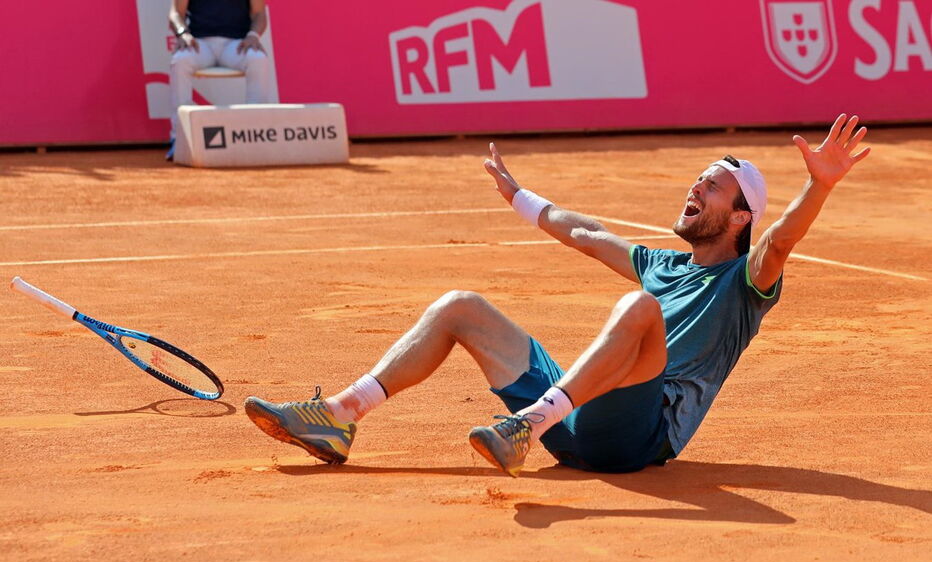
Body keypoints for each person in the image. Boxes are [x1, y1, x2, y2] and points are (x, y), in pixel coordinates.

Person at [244, 114, 870, 477]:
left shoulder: (746, 282)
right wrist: (521, 197)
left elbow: (780, 243)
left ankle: (524, 425)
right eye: (697, 180)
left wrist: (819, 188)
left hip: (641, 437)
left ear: (739, 219)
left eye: (711, 189)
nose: (695, 190)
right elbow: (588, 234)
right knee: (461, 304)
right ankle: (339, 419)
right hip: (578, 419)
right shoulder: (661, 264)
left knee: (639, 307)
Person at [166, 0, 275, 161]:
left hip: (236, 45)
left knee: (257, 59)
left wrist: (253, 36)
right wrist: (183, 34)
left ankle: (256, 134)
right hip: (199, 44)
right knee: (181, 60)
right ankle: (180, 137)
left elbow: (259, 14)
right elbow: (175, 13)